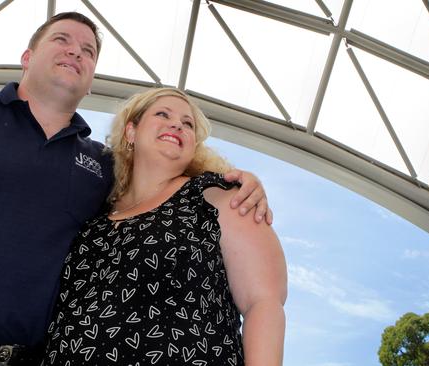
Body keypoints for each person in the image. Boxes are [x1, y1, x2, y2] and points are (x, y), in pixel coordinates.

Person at [0, 11, 272, 366]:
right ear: (27, 57)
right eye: (63, 40)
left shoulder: (104, 170)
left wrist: (238, 182)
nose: (76, 51)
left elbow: (157, 196)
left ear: (90, 82)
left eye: (89, 51)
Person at [43, 88, 287, 365]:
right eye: (163, 114)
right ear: (131, 132)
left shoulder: (219, 196)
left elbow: (263, 303)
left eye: (188, 124)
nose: (177, 125)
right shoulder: (95, 217)